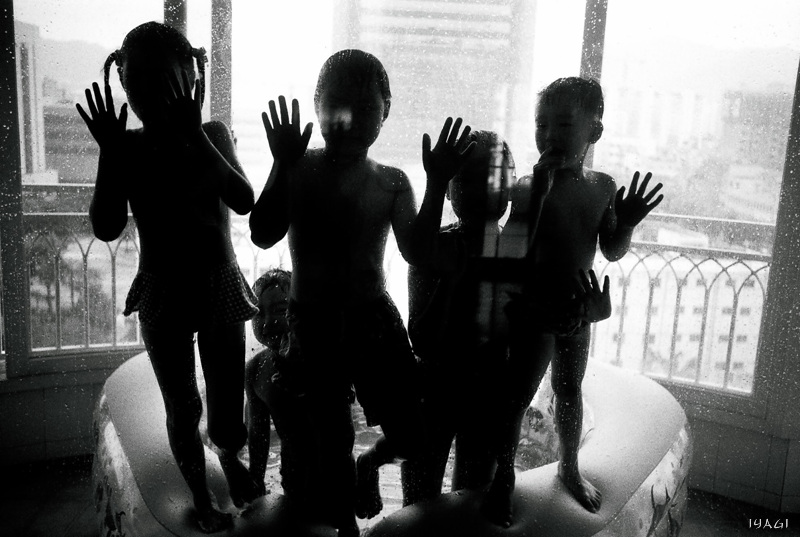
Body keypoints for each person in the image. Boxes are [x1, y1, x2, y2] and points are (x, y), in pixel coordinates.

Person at [248, 49, 474, 536]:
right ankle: (346, 527)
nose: (349, 120)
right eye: (337, 106)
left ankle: (369, 463)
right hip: (313, 323)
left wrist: (437, 182)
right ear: (317, 108)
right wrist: (281, 163)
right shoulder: (300, 168)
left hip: (374, 319)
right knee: (333, 436)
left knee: (412, 434)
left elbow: (417, 251)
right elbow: (263, 233)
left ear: (386, 112)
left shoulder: (391, 181)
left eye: (366, 108)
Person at [78, 22, 259, 533]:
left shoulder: (213, 134)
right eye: (137, 82)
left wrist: (196, 135)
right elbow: (105, 226)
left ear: (191, 77)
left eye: (163, 79)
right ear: (124, 85)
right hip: (162, 289)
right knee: (182, 404)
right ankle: (201, 497)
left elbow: (243, 199)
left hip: (219, 283)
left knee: (227, 407)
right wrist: (109, 153)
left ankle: (228, 455)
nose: (150, 92)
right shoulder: (128, 147)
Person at [481, 76, 663, 527]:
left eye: (563, 124)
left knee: (569, 389)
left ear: (593, 131)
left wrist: (627, 224)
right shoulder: (528, 185)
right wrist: (539, 195)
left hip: (578, 310)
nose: (549, 135)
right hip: (534, 311)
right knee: (516, 396)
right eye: (541, 124)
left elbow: (611, 250)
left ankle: (569, 466)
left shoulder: (602, 186)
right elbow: (514, 247)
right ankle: (503, 474)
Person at [402, 130, 517, 504]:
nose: (483, 190)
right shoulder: (435, 249)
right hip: (436, 387)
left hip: (487, 390)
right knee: (419, 502)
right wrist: (450, 284)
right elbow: (421, 337)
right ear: (449, 191)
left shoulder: (515, 251)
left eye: (494, 179)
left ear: (512, 188)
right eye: (468, 179)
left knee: (470, 497)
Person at [245, 268, 316, 503]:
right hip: (292, 474)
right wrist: (256, 480)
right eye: (258, 313)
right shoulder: (255, 369)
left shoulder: (319, 357)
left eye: (279, 310)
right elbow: (258, 435)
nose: (267, 322)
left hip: (335, 472)